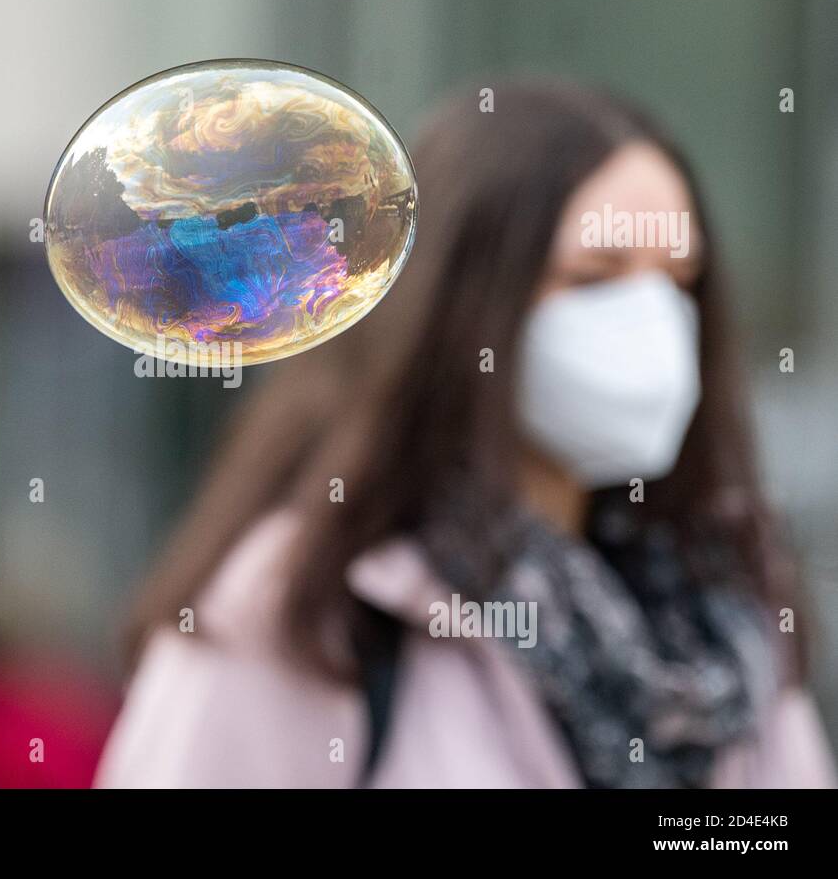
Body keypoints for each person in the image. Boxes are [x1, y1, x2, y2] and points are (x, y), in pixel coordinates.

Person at [96, 80, 836, 788]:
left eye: (678, 280)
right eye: (593, 277)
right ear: (460, 305)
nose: (652, 318)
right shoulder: (304, 613)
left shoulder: (728, 615)